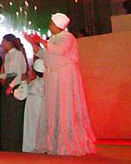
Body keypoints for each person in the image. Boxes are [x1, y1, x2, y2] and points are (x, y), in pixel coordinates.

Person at [24, 13, 97, 155]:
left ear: (58, 25)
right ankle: (53, 144)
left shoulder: (68, 38)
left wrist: (41, 41)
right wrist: (33, 43)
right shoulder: (53, 39)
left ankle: (68, 144)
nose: (50, 26)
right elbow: (44, 54)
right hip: (53, 77)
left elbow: (59, 50)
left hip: (64, 76)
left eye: (51, 23)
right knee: (52, 109)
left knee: (64, 107)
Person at [0, 33, 28, 152]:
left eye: (4, 42)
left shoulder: (17, 54)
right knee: (7, 115)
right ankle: (7, 145)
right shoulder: (7, 55)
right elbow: (9, 73)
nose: (2, 45)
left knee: (14, 116)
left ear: (10, 42)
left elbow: (18, 73)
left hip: (14, 86)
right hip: (9, 84)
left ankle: (15, 146)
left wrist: (10, 87)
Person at [23, 58, 45, 153]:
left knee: (31, 126)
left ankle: (31, 146)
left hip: (32, 105)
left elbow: (20, 94)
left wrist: (25, 82)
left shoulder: (33, 83)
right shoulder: (47, 83)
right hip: (42, 105)